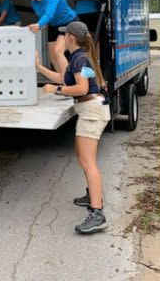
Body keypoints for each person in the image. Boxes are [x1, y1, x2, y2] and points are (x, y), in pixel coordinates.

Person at [35, 21, 111, 234]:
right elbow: (63, 77)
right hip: (90, 110)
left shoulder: (79, 58)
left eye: (63, 35)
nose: (61, 38)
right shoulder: (79, 58)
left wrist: (56, 90)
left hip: (91, 112)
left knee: (88, 162)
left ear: (70, 37)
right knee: (81, 155)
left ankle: (98, 213)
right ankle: (92, 195)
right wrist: (40, 68)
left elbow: (81, 88)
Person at [23, 0, 78, 77]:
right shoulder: (34, 2)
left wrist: (38, 25)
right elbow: (46, 20)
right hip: (54, 26)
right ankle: (64, 81)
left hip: (69, 23)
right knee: (52, 57)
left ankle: (71, 82)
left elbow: (49, 14)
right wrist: (39, 26)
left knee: (58, 51)